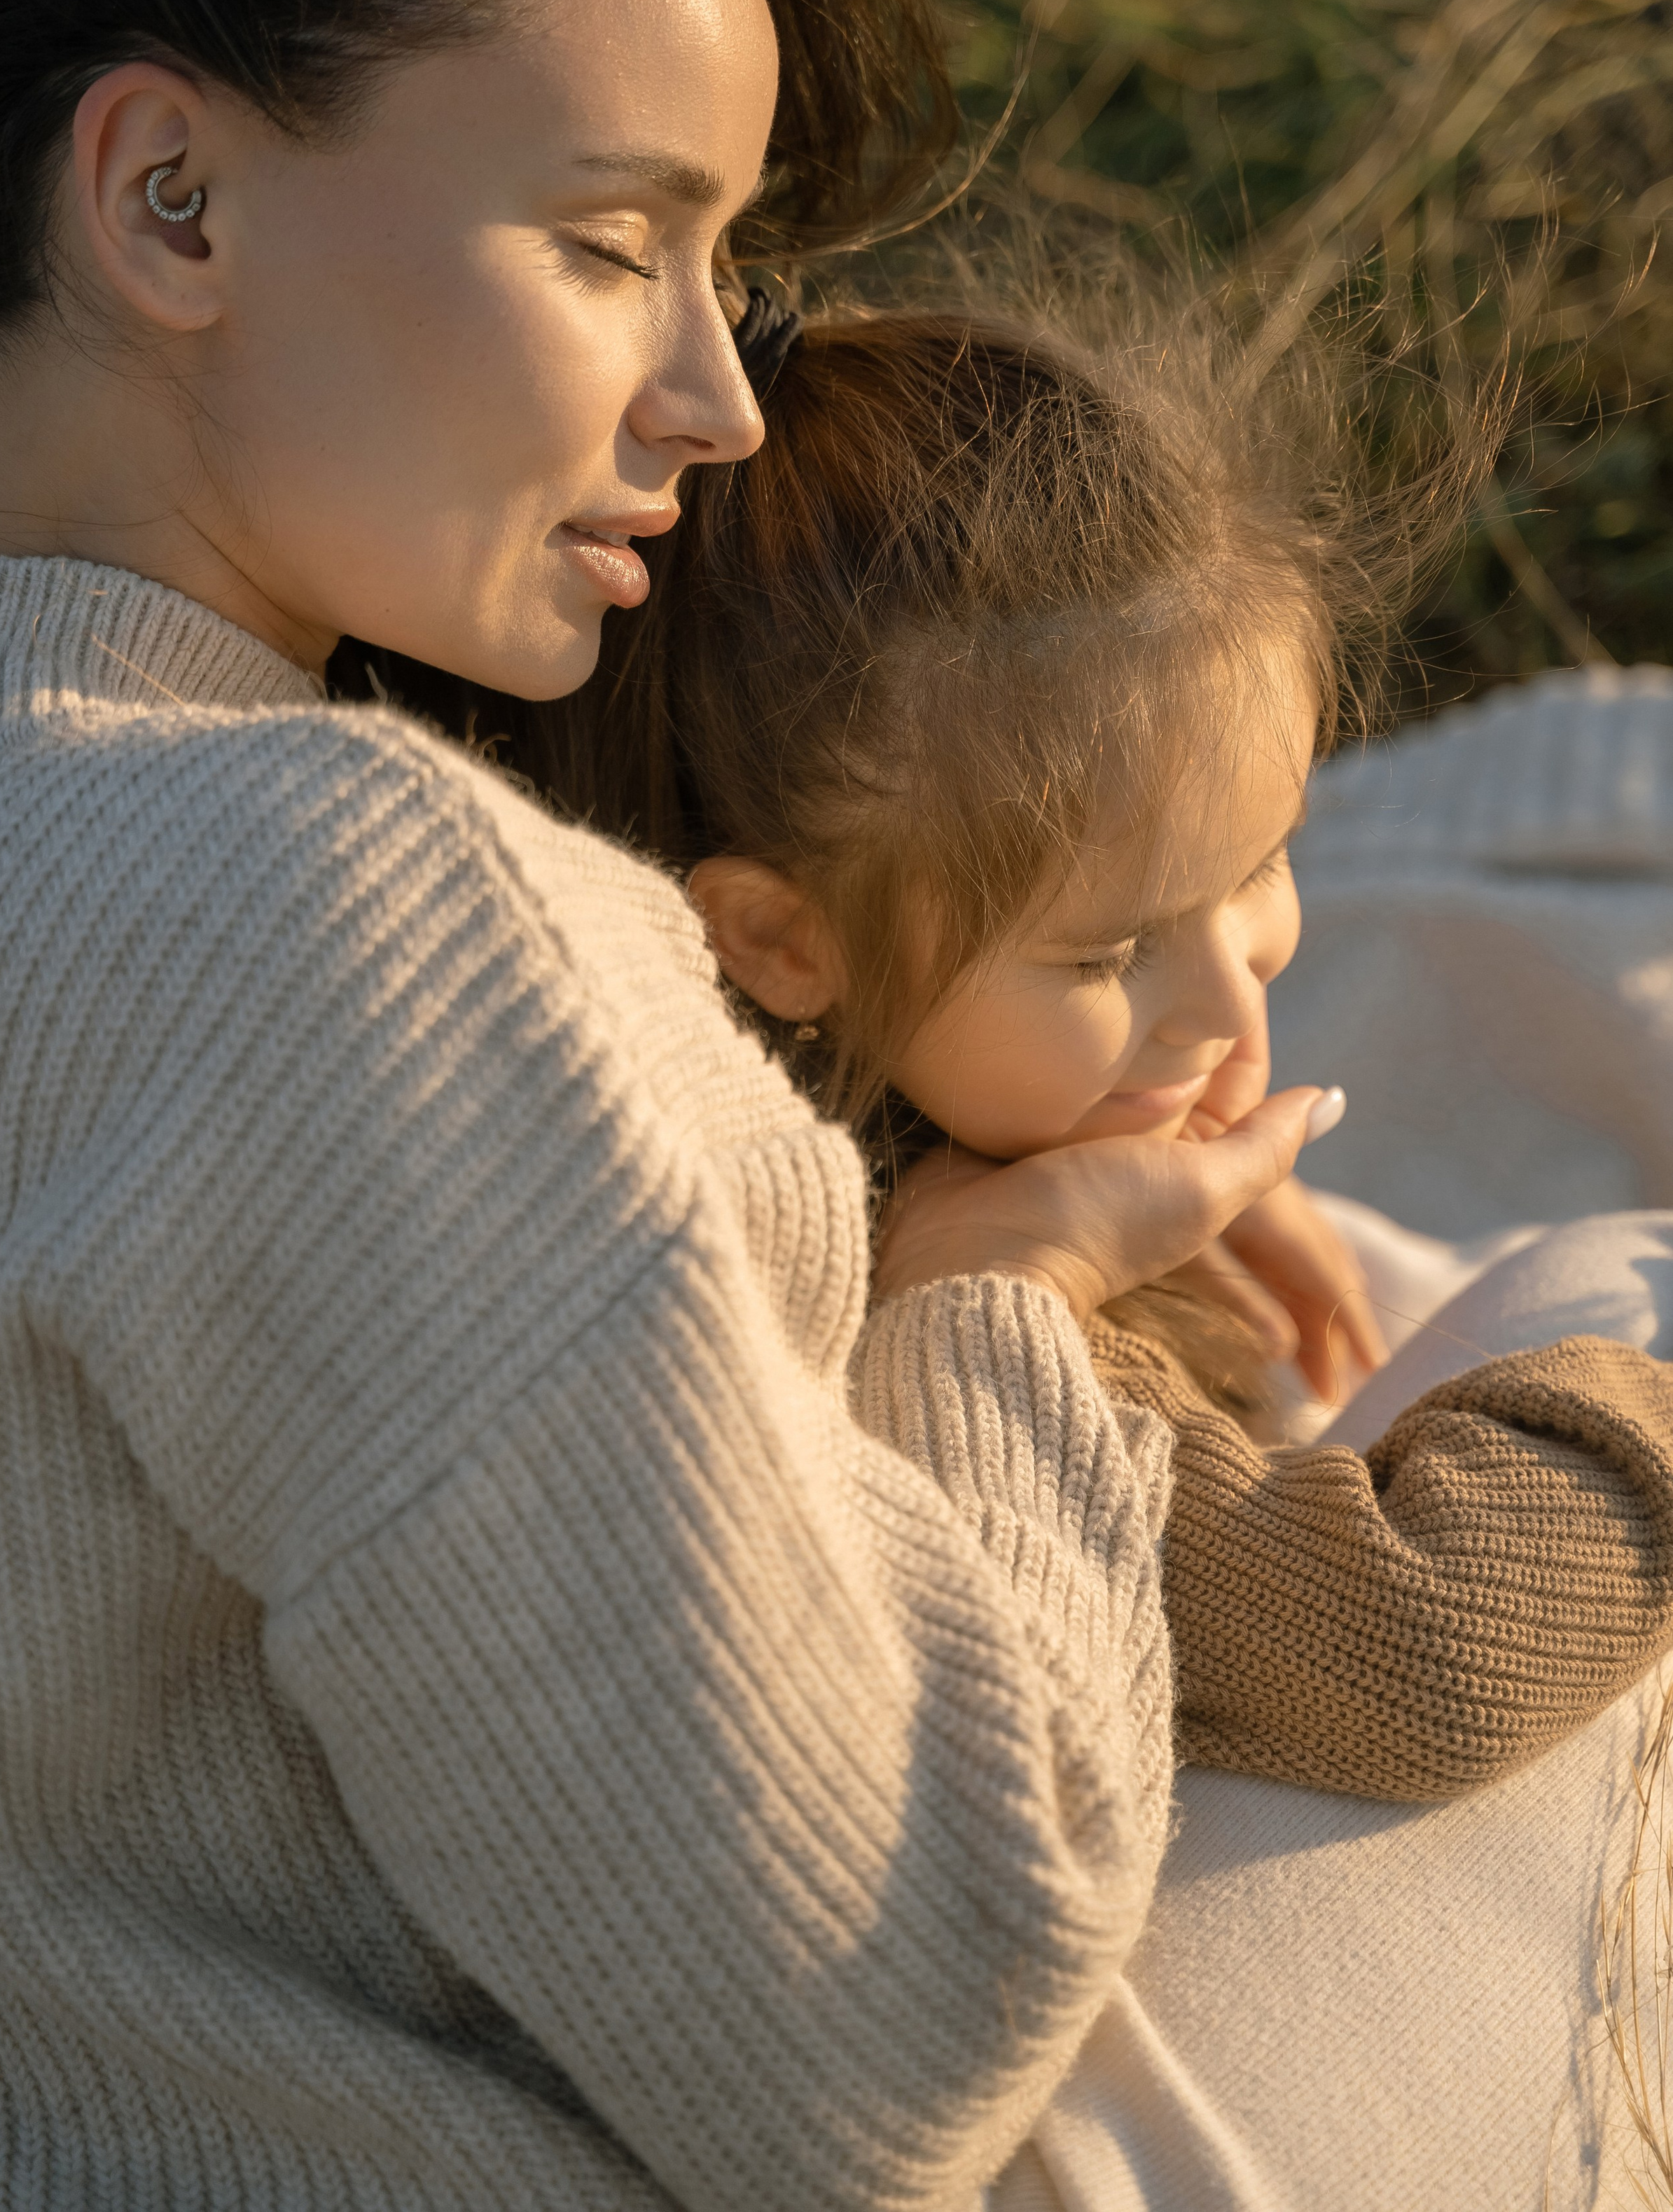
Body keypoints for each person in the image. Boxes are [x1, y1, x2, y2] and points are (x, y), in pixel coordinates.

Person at [0, 0, 1377, 2212]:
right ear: (170, 197)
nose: (714, 398)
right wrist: (1000, 1301)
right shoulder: (353, 913)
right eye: (608, 243)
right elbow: (884, 2039)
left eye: (728, 267)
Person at [440, 294, 1673, 1803]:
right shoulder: (920, 1328)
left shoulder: (947, 1097)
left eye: (1262, 865)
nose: (1229, 1012)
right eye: (1107, 955)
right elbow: (1427, 1644)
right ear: (781, 940)